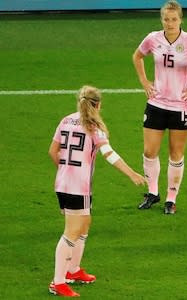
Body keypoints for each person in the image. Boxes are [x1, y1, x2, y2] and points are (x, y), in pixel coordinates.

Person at [48, 85, 146, 296]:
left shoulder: (66, 120)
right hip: (77, 187)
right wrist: (132, 174)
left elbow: (52, 151)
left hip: (63, 184)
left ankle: (73, 270)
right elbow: (109, 154)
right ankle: (58, 281)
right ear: (98, 105)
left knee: (84, 224)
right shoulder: (93, 127)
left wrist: (66, 170)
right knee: (71, 231)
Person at [133, 0, 187, 214]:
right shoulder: (153, 38)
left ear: (181, 19)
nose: (169, 23)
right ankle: (153, 193)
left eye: (173, 19)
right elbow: (137, 56)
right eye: (166, 19)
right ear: (161, 19)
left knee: (176, 153)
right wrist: (144, 81)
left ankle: (171, 199)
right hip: (156, 103)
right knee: (149, 151)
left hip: (182, 106)